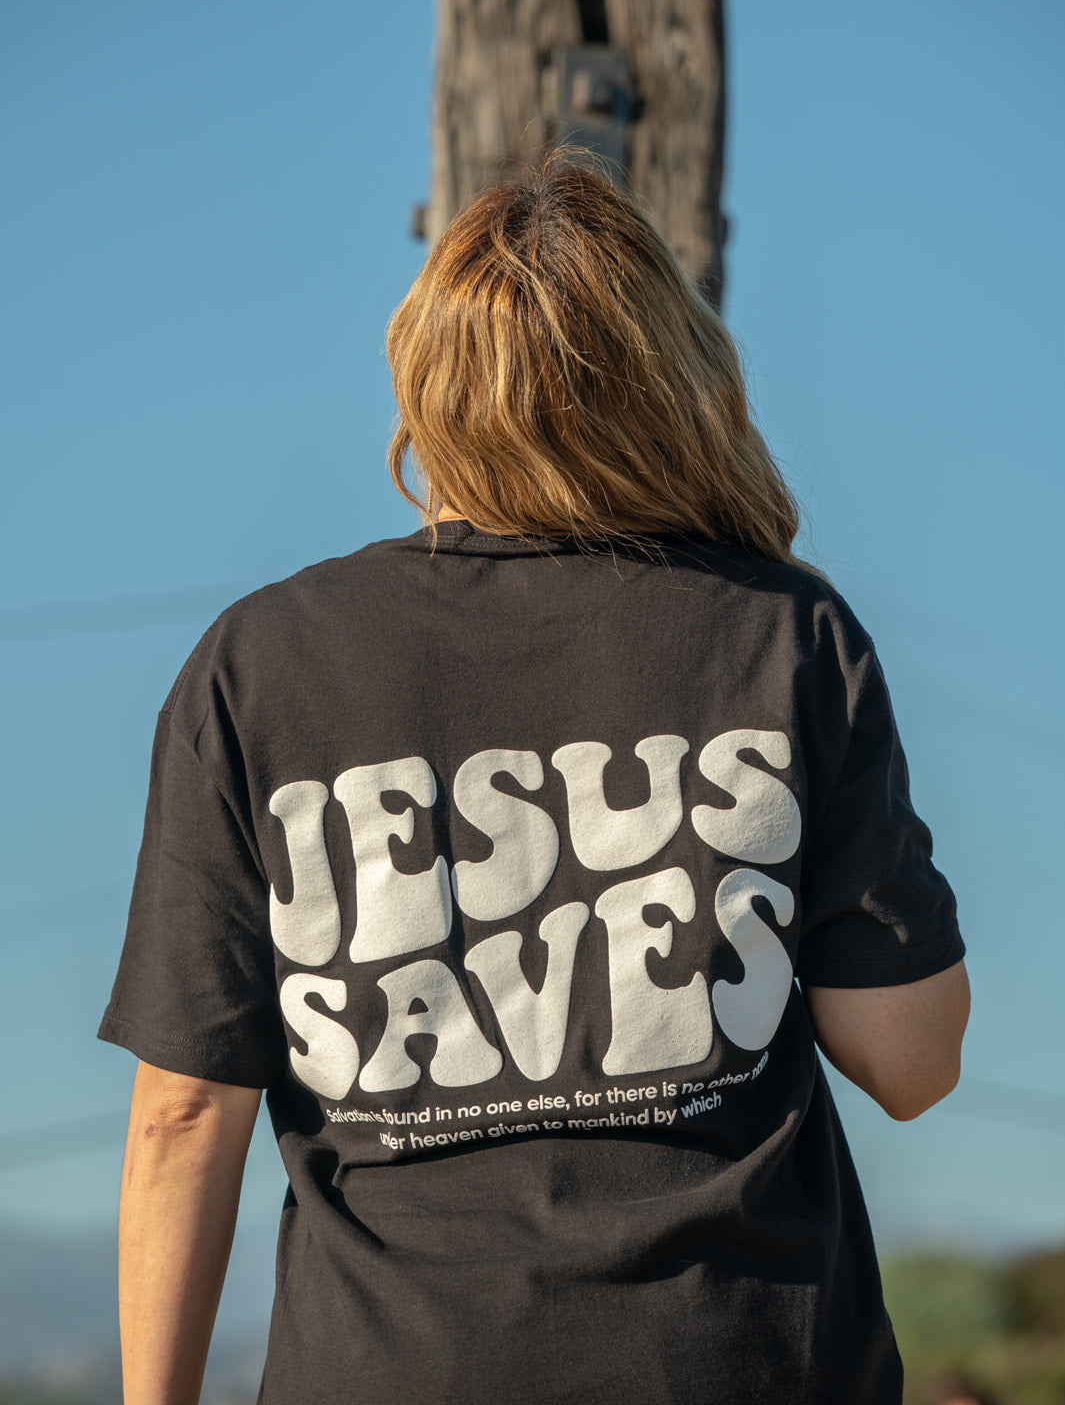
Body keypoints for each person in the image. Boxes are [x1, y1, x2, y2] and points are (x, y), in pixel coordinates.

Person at [100, 158, 970, 1405]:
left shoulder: (260, 663)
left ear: (426, 381)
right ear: (674, 379)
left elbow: (183, 1111)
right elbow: (908, 1059)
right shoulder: (780, 634)